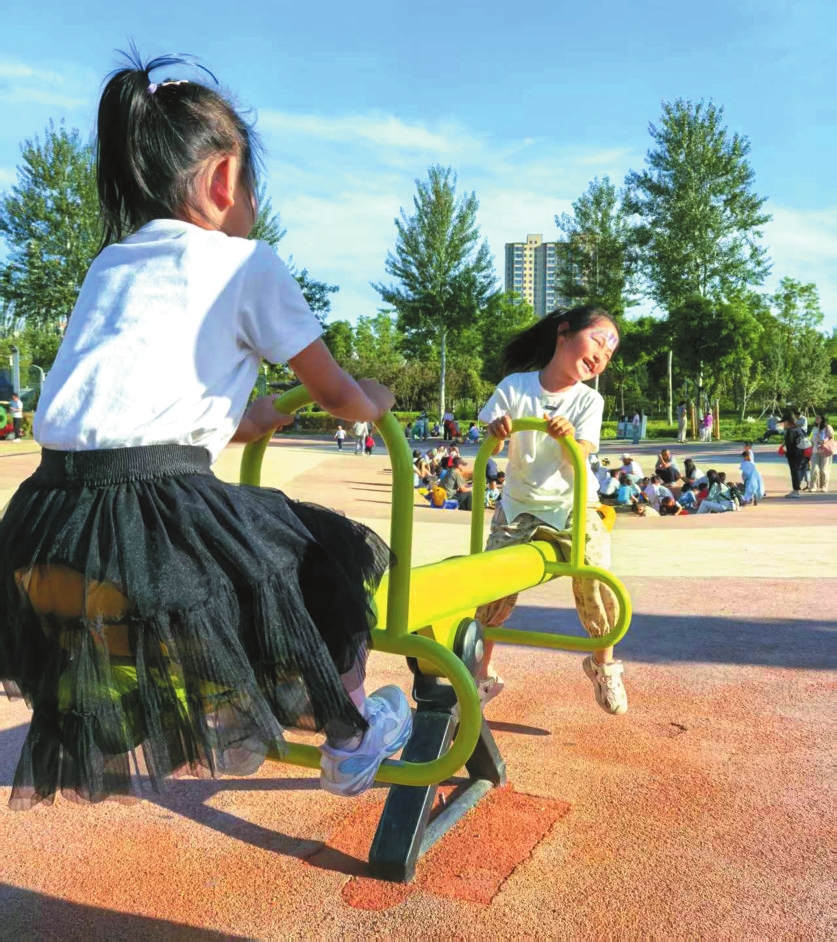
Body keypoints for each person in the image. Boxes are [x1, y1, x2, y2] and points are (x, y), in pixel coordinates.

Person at [0, 54, 413, 809]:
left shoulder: (111, 265)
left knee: (223, 564)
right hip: (155, 514)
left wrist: (269, 413)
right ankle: (352, 733)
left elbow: (165, 422)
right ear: (225, 180)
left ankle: (226, 699)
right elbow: (341, 396)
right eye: (255, 188)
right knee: (322, 555)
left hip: (44, 517)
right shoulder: (246, 263)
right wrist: (375, 398)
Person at [475, 304, 628, 715]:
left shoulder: (588, 400)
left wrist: (567, 437)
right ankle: (482, 674)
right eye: (598, 342)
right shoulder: (516, 386)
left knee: (595, 572)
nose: (601, 357)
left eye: (608, 354)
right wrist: (497, 431)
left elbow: (582, 452)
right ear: (564, 334)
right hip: (519, 505)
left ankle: (603, 663)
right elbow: (491, 440)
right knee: (492, 586)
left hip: (573, 503)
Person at [779, 409, 807, 498]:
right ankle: (796, 489)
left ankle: (796, 491)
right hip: (801, 453)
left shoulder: (790, 431)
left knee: (794, 472)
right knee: (797, 471)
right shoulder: (799, 429)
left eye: (784, 422)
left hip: (793, 455)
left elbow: (790, 445)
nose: (783, 424)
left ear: (788, 421)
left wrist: (785, 451)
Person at [811, 412, 834, 493]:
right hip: (815, 450)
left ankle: (824, 486)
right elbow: (812, 438)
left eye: (818, 418)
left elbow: (831, 438)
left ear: (823, 419)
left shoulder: (828, 427)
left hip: (825, 451)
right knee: (814, 469)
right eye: (816, 417)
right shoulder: (814, 428)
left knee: (824, 469)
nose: (816, 419)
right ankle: (814, 486)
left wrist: (825, 442)